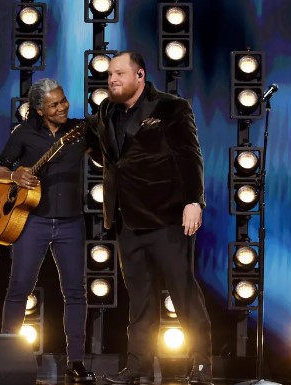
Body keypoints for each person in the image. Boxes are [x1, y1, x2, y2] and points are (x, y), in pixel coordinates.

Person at [92, 51, 213, 385]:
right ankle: (138, 366)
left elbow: (190, 156)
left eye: (119, 73)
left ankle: (202, 365)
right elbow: (99, 148)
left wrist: (194, 201)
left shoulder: (171, 107)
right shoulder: (106, 110)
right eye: (109, 74)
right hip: (126, 220)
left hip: (167, 217)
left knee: (183, 293)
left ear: (140, 75)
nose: (112, 79)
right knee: (140, 298)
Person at [0, 78, 97, 384]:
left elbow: (108, 154)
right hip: (31, 221)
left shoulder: (79, 131)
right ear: (39, 109)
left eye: (63, 100)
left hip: (71, 223)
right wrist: (14, 175)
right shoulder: (24, 133)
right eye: (54, 104)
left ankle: (75, 361)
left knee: (76, 293)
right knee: (18, 290)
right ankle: (7, 360)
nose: (63, 106)